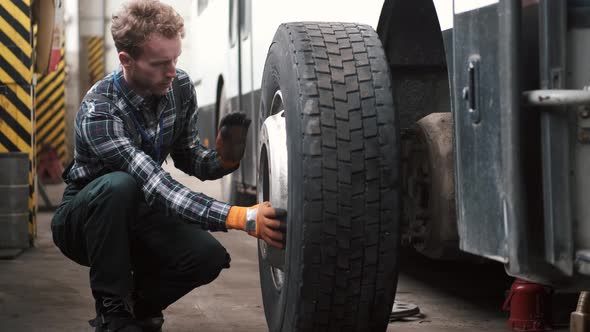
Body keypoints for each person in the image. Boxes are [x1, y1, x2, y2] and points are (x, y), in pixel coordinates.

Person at [50, 1, 285, 331]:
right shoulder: (98, 110)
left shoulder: (179, 87)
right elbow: (155, 182)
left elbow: (189, 159)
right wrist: (239, 216)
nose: (172, 71)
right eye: (161, 63)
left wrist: (223, 160)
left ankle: (138, 306)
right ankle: (112, 313)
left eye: (175, 59)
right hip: (85, 220)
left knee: (209, 257)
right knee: (120, 185)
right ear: (126, 61)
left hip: (140, 210)